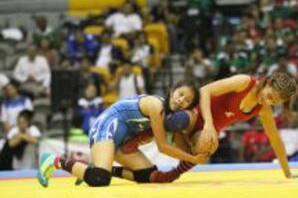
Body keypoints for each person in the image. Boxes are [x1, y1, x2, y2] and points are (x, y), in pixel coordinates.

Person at [112, 73, 298, 182]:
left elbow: (275, 140)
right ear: (268, 83)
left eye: (273, 102)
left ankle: (173, 173)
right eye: (269, 95)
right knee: (178, 121)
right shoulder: (245, 82)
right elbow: (204, 90)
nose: (268, 101)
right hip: (195, 114)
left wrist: (288, 173)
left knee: (207, 145)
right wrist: (208, 123)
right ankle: (143, 134)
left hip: (205, 130)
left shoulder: (262, 109)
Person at [37, 80, 207, 187]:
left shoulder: (169, 118)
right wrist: (192, 159)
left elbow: (177, 144)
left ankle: (99, 169)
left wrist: (192, 145)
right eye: (181, 94)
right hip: (106, 128)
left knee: (147, 176)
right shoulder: (156, 106)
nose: (180, 100)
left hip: (123, 139)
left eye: (186, 101)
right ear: (172, 91)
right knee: (99, 179)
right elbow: (162, 147)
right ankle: (55, 160)